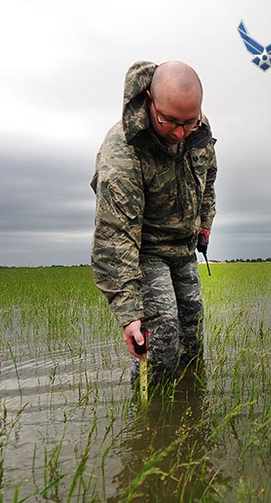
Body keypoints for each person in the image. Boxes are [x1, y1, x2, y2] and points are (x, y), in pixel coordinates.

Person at [91, 60, 217, 382]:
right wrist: (128, 314)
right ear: (150, 99)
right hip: (145, 250)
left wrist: (205, 221)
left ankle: (189, 404)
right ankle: (154, 422)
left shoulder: (197, 131)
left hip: (183, 247)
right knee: (161, 336)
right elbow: (115, 235)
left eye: (188, 123)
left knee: (192, 328)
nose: (179, 133)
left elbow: (208, 177)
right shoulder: (122, 152)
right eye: (169, 121)